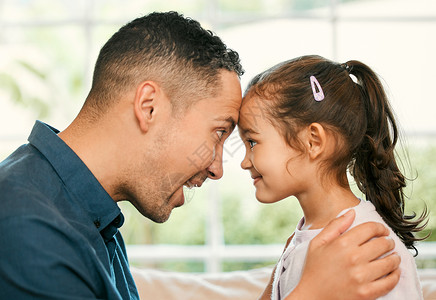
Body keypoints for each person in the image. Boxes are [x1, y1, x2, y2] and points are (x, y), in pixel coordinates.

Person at [0, 12, 401, 300]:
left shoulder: (86, 211)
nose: (217, 167)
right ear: (149, 106)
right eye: (219, 133)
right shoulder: (29, 230)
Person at [238, 55, 428, 300]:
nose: (244, 162)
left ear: (313, 141)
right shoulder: (303, 240)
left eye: (252, 141)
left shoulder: (369, 245)